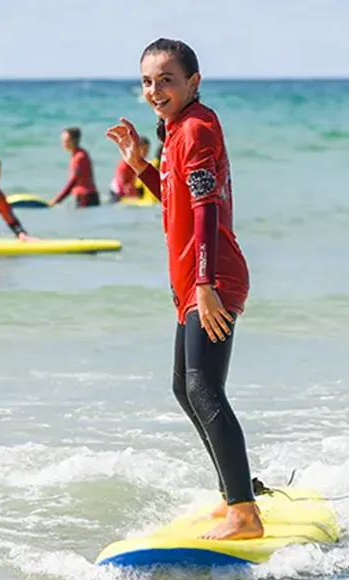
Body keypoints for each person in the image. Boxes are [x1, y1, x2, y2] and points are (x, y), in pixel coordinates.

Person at [105, 38, 263, 541]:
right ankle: (234, 494)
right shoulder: (176, 131)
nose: (155, 90)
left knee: (203, 387)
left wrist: (205, 284)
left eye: (167, 80)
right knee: (185, 387)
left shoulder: (195, 129)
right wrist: (138, 164)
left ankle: (245, 511)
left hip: (210, 279)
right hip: (195, 282)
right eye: (148, 81)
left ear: (193, 82)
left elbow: (207, 208)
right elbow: (174, 197)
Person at [50, 127, 100, 208]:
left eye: (66, 140)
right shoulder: (78, 154)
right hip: (86, 197)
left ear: (74, 140)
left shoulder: (80, 157)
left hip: (86, 198)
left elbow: (73, 181)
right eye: (62, 141)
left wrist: (57, 200)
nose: (63, 143)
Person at [109, 136, 151, 202]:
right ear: (137, 149)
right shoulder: (125, 163)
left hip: (129, 188)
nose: (146, 152)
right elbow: (120, 183)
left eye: (148, 150)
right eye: (144, 150)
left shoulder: (141, 163)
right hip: (117, 192)